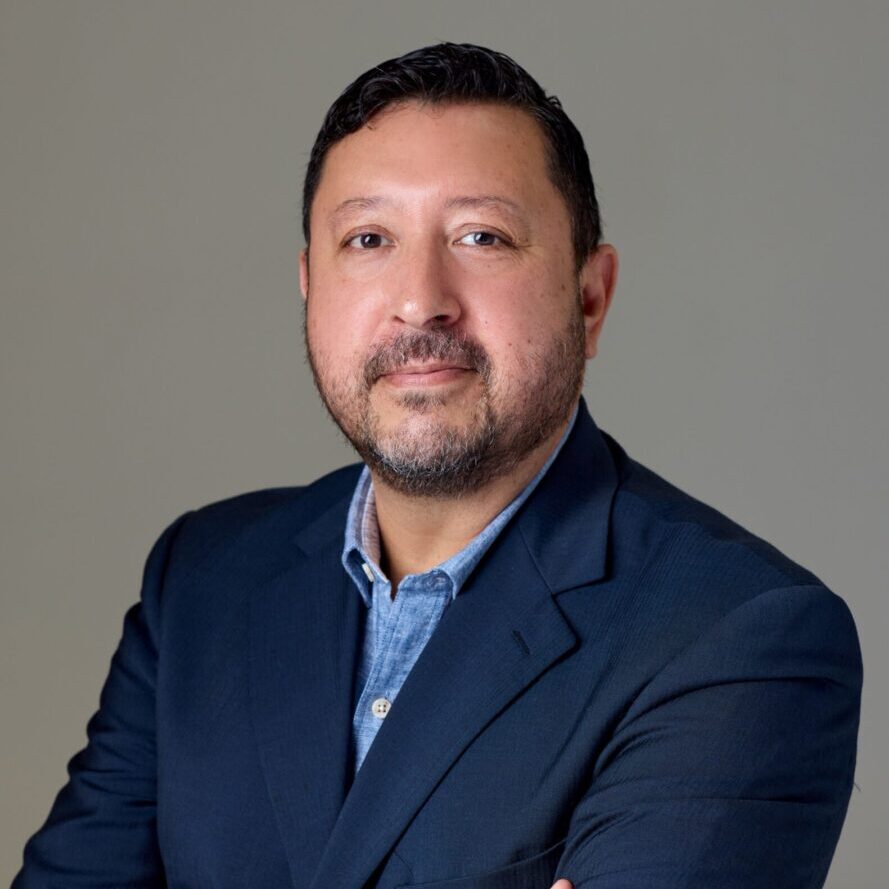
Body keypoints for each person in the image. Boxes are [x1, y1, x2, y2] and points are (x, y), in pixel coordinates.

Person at [14, 43, 861, 889]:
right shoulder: (201, 580)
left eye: (481, 235)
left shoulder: (740, 637)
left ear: (589, 296)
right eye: (368, 237)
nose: (420, 298)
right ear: (310, 288)